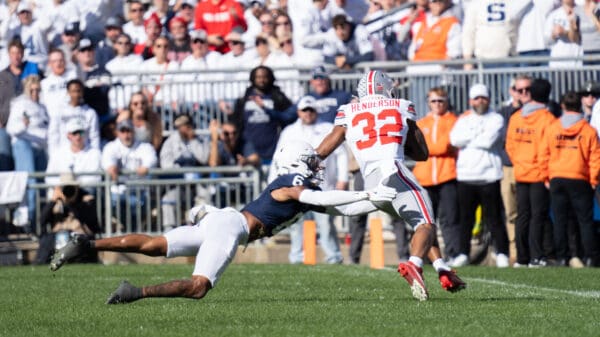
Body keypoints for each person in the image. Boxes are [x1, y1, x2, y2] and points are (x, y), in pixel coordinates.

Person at [49, 141, 396, 304]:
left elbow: (341, 209)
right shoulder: (293, 186)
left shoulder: (299, 188)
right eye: (311, 161)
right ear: (298, 163)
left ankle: (88, 244)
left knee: (156, 246)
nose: (317, 166)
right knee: (199, 286)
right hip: (232, 227)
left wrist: (375, 201)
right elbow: (322, 199)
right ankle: (134, 292)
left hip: (222, 219)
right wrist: (367, 195)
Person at [316, 70, 466, 301]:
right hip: (394, 172)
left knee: (420, 223)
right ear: (387, 88)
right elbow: (422, 153)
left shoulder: (347, 110)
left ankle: (441, 268)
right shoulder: (401, 105)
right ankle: (414, 264)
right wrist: (400, 138)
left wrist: (312, 161)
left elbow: (328, 145)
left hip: (371, 183)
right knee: (426, 222)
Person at [271, 96, 348, 264]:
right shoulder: (289, 131)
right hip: (295, 186)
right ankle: (297, 257)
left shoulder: (328, 128)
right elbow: (277, 158)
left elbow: (341, 154)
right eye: (304, 110)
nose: (308, 113)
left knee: (326, 224)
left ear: (316, 111)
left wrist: (343, 179)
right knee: (296, 224)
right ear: (298, 112)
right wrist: (273, 182)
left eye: (311, 110)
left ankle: (333, 257)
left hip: (323, 185)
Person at [449, 83, 510, 268]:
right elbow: (454, 139)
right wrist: (476, 136)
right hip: (466, 176)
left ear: (489, 99)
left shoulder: (496, 118)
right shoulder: (463, 120)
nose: (480, 101)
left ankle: (502, 253)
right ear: (470, 100)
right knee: (465, 219)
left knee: (494, 218)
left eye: (483, 97)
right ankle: (463, 253)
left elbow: (488, 141)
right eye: (476, 98)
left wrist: (469, 139)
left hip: (489, 175)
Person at [540, 91, 600, 267]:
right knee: (585, 221)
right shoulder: (588, 130)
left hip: (557, 178)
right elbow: (595, 158)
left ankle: (562, 256)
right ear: (580, 106)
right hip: (580, 178)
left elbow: (544, 154)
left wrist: (546, 176)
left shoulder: (553, 128)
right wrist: (593, 180)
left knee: (560, 220)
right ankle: (590, 257)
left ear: (563, 106)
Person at [505, 78, 557, 267]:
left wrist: (519, 162)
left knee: (523, 215)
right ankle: (536, 256)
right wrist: (545, 173)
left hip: (521, 171)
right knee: (538, 215)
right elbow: (545, 149)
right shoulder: (548, 118)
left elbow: (510, 146)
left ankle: (521, 258)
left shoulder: (516, 117)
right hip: (537, 173)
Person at [412, 87, 462, 263]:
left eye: (441, 100)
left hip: (447, 175)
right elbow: (416, 148)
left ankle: (454, 254)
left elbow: (444, 145)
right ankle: (424, 256)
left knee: (449, 218)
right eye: (434, 101)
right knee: (425, 222)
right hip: (424, 178)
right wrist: (427, 149)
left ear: (446, 101)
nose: (437, 104)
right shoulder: (422, 123)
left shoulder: (454, 121)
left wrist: (427, 149)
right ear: (428, 102)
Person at [6, 74, 49, 230]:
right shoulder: (20, 104)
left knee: (42, 184)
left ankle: (39, 221)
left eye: (38, 90)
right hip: (24, 145)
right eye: (32, 90)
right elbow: (11, 129)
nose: (35, 93)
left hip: (40, 148)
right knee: (29, 183)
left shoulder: (42, 107)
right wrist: (23, 126)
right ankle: (28, 222)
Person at [230, 65, 296, 164]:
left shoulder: (277, 96)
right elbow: (236, 119)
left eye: (265, 77)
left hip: (272, 144)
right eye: (258, 77)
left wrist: (266, 108)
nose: (262, 80)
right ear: (253, 78)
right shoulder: (245, 97)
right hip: (249, 144)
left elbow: (288, 116)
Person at [101, 118, 158, 230]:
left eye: (129, 131)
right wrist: (111, 167)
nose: (126, 135)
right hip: (118, 193)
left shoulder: (144, 146)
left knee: (143, 205)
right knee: (113, 203)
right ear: (117, 133)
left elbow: (152, 159)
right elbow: (107, 162)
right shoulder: (111, 146)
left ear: (134, 132)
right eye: (123, 131)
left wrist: (146, 166)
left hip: (140, 193)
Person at [159, 113, 211, 231]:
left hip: (197, 184)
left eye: (186, 125)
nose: (184, 128)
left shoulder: (200, 139)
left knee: (205, 197)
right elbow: (165, 165)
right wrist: (182, 170)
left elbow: (203, 158)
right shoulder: (170, 141)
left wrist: (192, 140)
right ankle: (169, 232)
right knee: (168, 199)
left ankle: (199, 230)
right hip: (178, 182)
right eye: (180, 126)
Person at [36, 172, 100, 265]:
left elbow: (90, 222)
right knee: (46, 240)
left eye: (71, 187)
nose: (68, 190)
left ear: (77, 188)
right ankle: (41, 263)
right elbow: (42, 220)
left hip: (79, 237)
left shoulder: (86, 199)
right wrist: (53, 201)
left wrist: (70, 204)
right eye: (65, 187)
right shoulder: (56, 201)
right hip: (58, 238)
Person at [45, 117, 102, 190]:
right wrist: (64, 183)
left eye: (81, 132)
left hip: (84, 192)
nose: (78, 136)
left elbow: (96, 178)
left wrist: (76, 183)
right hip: (63, 192)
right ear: (68, 135)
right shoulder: (57, 154)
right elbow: (49, 178)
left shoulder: (95, 154)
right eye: (74, 133)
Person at [47, 79, 100, 155]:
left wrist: (95, 154)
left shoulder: (90, 113)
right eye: (73, 91)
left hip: (85, 153)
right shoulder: (59, 111)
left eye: (79, 91)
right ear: (68, 92)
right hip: (64, 154)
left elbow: (94, 136)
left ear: (82, 92)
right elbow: (53, 135)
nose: (76, 94)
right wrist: (54, 155)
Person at [544, 0, 583, 68]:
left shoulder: (582, 12)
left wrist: (565, 32)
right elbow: (547, 42)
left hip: (577, 64)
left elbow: (582, 38)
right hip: (557, 64)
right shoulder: (553, 15)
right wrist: (553, 35)